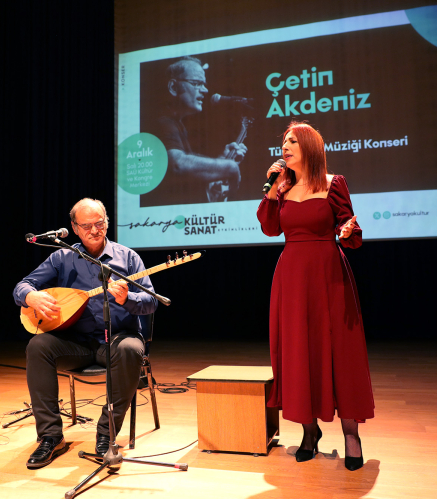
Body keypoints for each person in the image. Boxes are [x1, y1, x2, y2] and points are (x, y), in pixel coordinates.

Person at [256, 122, 374, 469]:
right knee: (297, 351)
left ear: (309, 146)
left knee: (340, 352)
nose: (285, 147)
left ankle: (351, 434)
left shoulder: (333, 183)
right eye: (283, 142)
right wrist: (271, 189)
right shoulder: (282, 189)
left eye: (292, 141)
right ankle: (309, 432)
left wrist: (348, 230)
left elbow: (348, 228)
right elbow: (270, 228)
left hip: (328, 275)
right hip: (292, 279)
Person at [13, 198, 158, 469]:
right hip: (77, 343)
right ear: (74, 228)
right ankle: (51, 436)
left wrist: (127, 299)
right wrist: (30, 296)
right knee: (38, 346)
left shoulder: (128, 258)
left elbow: (151, 302)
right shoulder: (62, 257)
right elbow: (23, 285)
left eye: (99, 223)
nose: (94, 230)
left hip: (118, 339)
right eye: (87, 225)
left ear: (107, 223)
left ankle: (106, 434)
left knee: (130, 349)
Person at [140, 56, 248, 206]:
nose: (205, 90)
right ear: (173, 87)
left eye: (204, 84)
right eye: (197, 83)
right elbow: (177, 163)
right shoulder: (161, 121)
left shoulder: (177, 123)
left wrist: (222, 159)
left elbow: (185, 175)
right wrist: (229, 167)